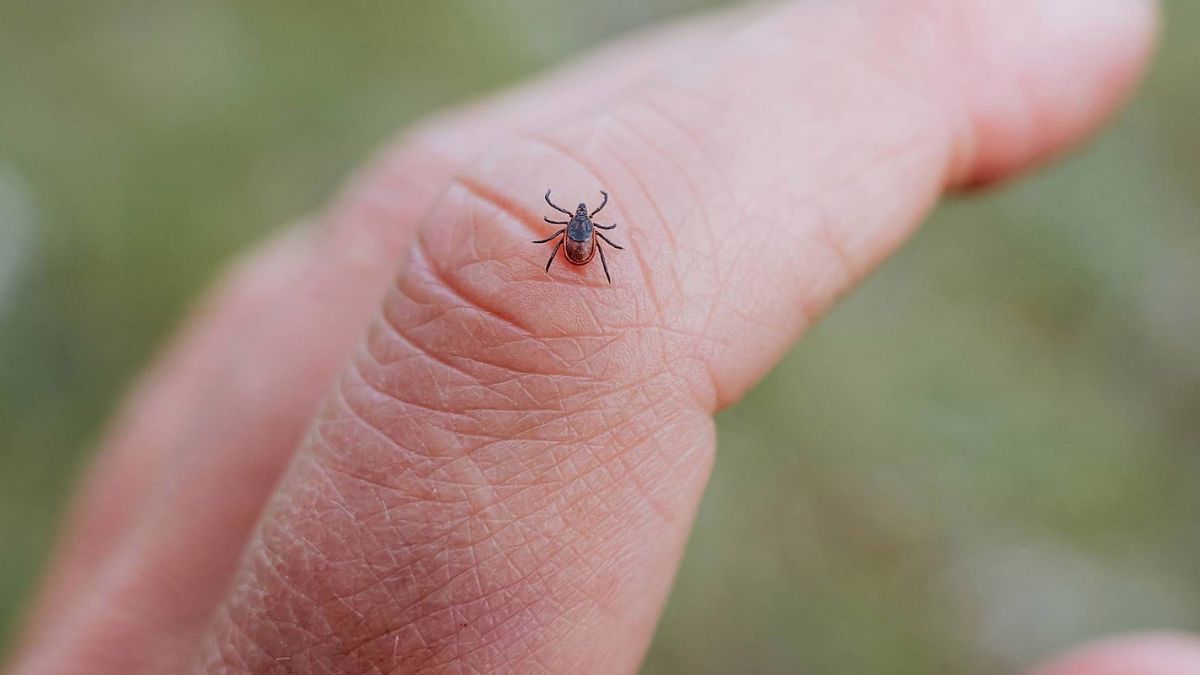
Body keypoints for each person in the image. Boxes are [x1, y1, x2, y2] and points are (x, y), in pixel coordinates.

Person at [10, 0, 1192, 673]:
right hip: (575, 265)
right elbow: (585, 248)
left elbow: (579, 249)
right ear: (582, 228)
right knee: (539, 287)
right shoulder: (579, 236)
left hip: (570, 266)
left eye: (579, 229)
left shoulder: (572, 236)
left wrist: (557, 277)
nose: (577, 230)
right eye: (579, 229)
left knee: (539, 286)